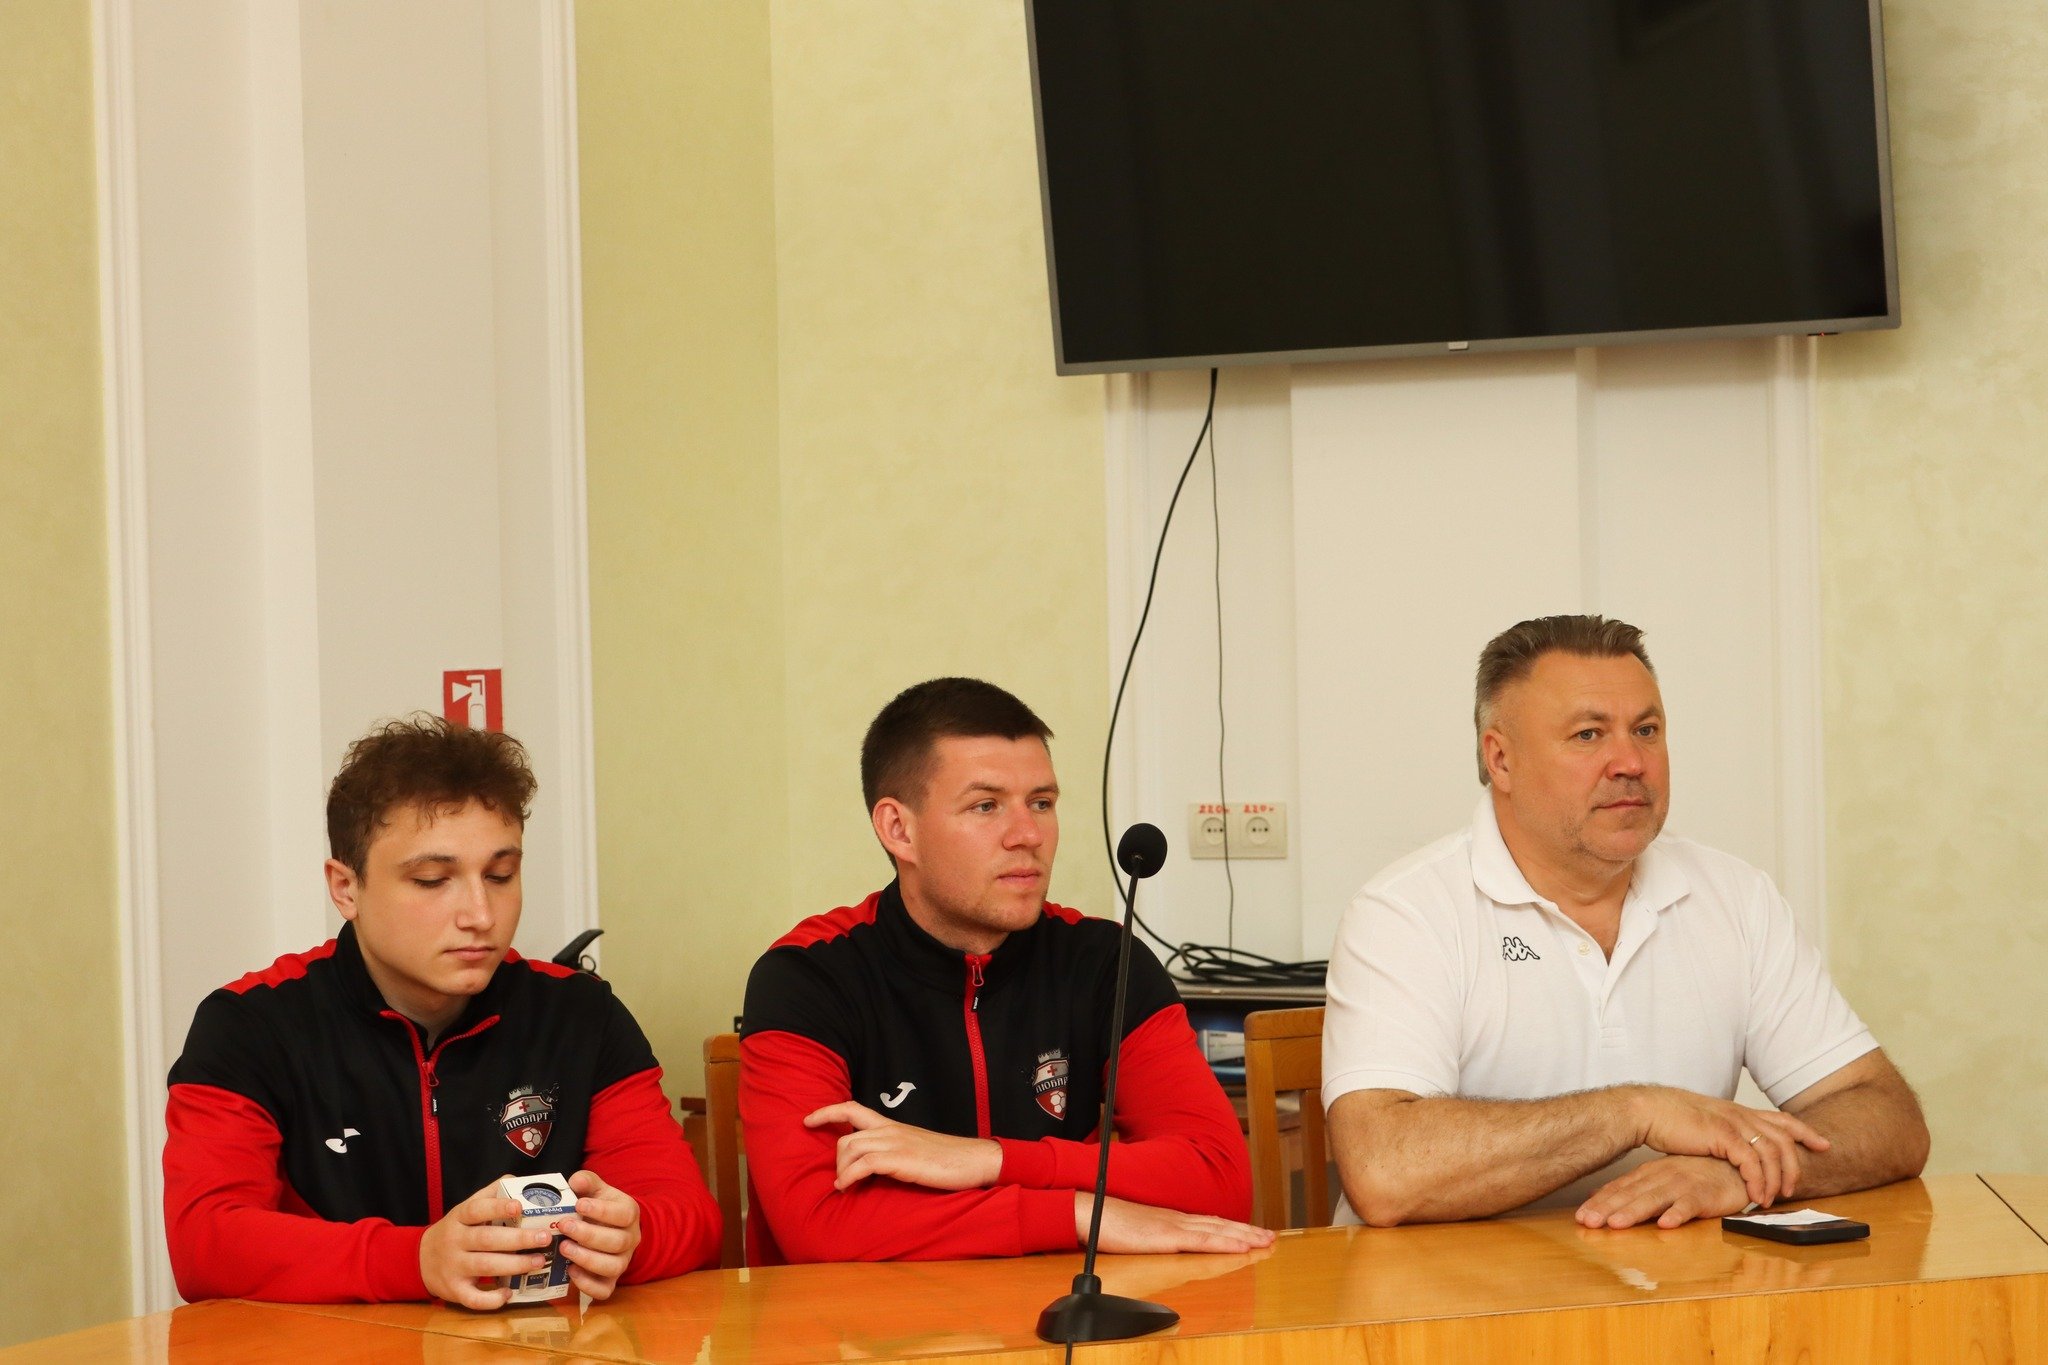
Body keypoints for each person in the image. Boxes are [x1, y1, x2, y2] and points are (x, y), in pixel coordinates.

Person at [1323, 616, 1929, 1230]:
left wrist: (1737, 1173)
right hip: (1446, 1286)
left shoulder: (1737, 896)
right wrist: (1635, 1112)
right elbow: (1385, 1171)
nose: (1631, 762)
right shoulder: (1405, 911)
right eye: (1588, 735)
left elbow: (1887, 1118)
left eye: (1646, 730)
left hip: (1667, 1277)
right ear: (1500, 760)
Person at [164, 716, 721, 1305]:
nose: (481, 914)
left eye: (501, 875)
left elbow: (691, 1216)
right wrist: (417, 1260)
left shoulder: (581, 1014)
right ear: (346, 888)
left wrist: (635, 1237)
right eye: (433, 880)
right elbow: (206, 1245)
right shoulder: (248, 1024)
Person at [739, 677, 1273, 1262]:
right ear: (899, 829)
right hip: (867, 1318)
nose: (1028, 835)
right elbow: (819, 1226)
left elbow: (1220, 1179)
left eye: (1041, 803)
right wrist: (1076, 1214)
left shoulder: (1104, 961)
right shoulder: (808, 975)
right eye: (985, 806)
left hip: (1058, 1310)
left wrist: (991, 1159)